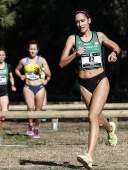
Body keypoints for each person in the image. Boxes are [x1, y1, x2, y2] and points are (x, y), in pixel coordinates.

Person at [59, 9, 121, 169]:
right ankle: (110, 128)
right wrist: (75, 54)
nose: (80, 24)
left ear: (89, 20)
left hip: (100, 80)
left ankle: (89, 156)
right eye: (77, 22)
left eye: (82, 21)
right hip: (84, 84)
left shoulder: (98, 36)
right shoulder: (72, 39)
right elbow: (61, 63)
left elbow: (116, 46)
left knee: (92, 117)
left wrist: (114, 53)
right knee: (99, 119)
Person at [15, 40, 51, 139]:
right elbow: (16, 70)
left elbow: (49, 74)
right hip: (28, 86)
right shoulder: (23, 61)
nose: (32, 51)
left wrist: (44, 74)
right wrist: (21, 75)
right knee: (30, 107)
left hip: (39, 87)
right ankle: (30, 124)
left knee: (38, 110)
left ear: (37, 50)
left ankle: (36, 127)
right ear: (28, 50)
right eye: (31, 49)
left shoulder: (42, 60)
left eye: (34, 49)